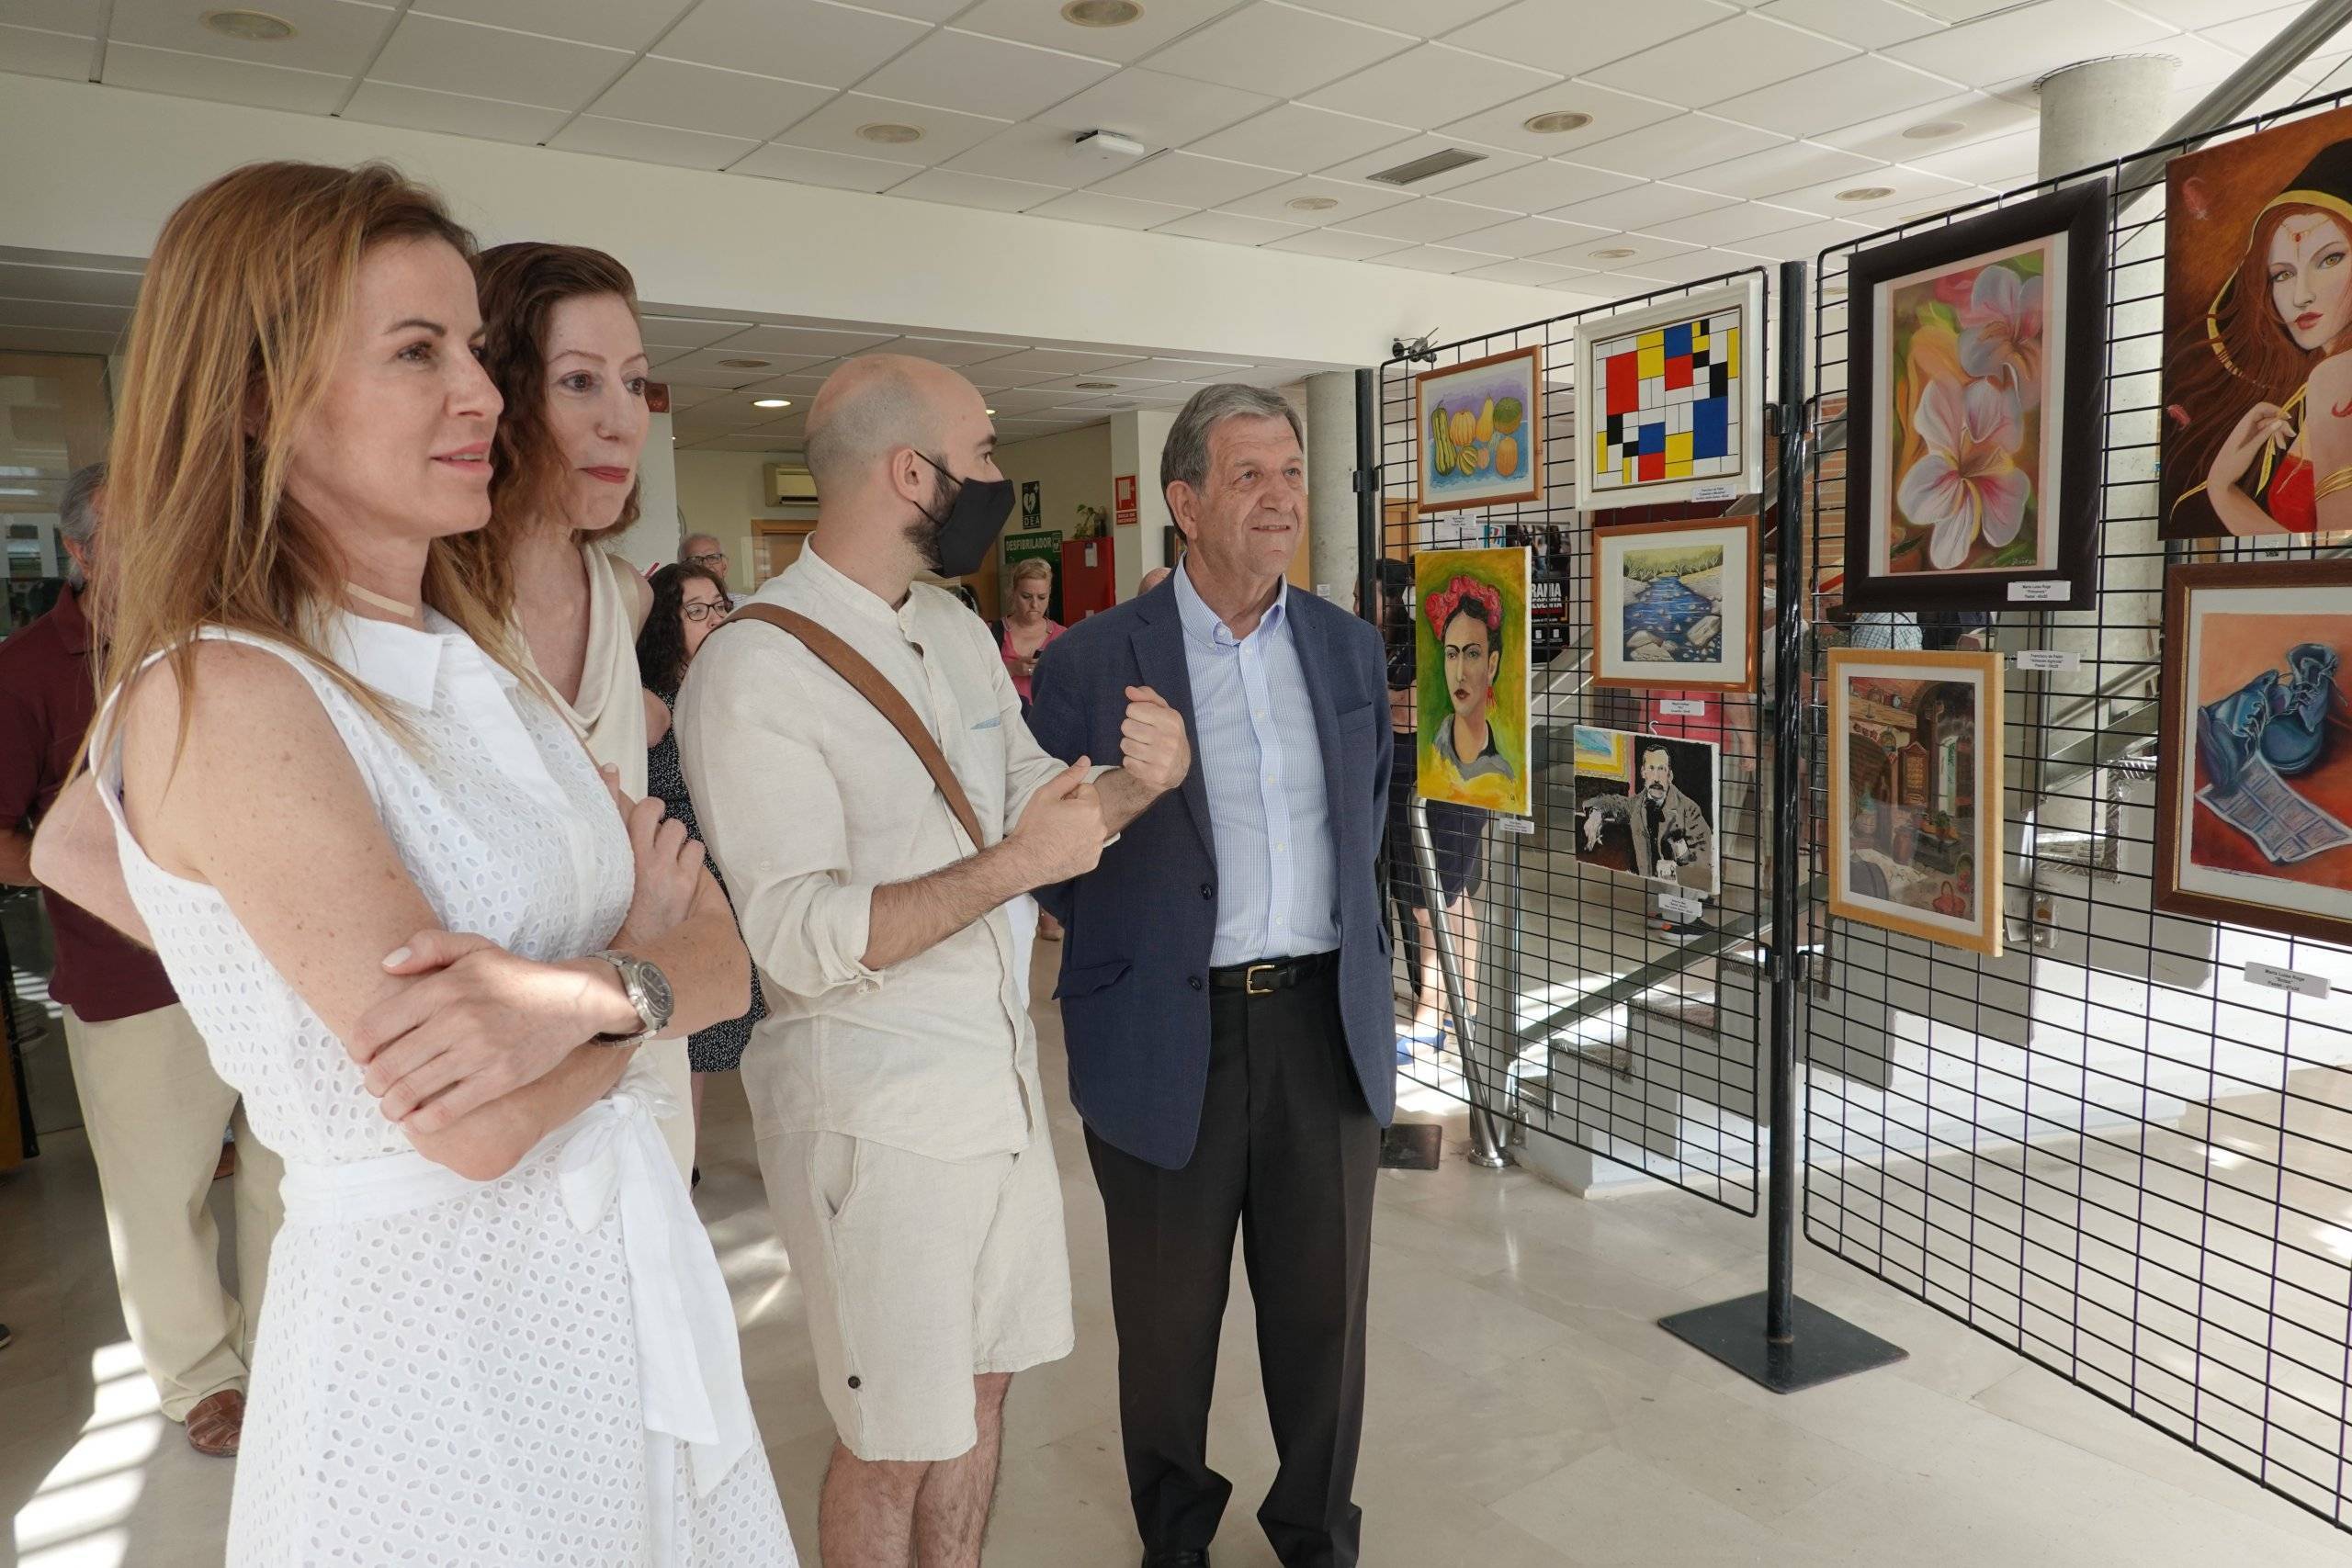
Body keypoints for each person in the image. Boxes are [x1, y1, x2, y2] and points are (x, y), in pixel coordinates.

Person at [28, 160, 792, 1564]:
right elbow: (474, 1125)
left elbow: (721, 947)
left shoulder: (471, 655)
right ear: (256, 392)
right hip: (440, 1344)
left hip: (603, 1292)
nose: (484, 396)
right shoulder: (234, 688)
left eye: (476, 352)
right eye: (416, 350)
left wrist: (565, 997)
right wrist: (644, 975)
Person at [679, 353, 1189, 1568]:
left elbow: (1027, 802)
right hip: (873, 1116)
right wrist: (1018, 866)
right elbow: (797, 940)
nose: (1001, 478)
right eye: (987, 451)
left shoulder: (953, 628)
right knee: (892, 1439)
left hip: (996, 1083)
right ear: (913, 470)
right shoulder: (751, 671)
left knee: (986, 1388)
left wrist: (1134, 784)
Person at [1029, 383, 1395, 1568]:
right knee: (1167, 1327)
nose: (1281, 496)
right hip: (1159, 1032)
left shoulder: (1344, 648)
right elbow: (1048, 863)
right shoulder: (1091, 663)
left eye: (1291, 472)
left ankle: (1315, 1532)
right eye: (1249, 475)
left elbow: (1371, 820)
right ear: (1183, 502)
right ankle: (1174, 1538)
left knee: (1321, 1320)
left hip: (1320, 1029)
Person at [0, 461, 283, 1457]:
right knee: (159, 1197)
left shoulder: (234, 641)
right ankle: (201, 1381)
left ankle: (291, 1356)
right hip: (133, 980)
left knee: (286, 1171)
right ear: (79, 552)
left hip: (267, 965)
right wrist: (102, 883)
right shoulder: (31, 670)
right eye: (135, 533)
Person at [457, 240, 695, 1181]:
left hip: (629, 1013)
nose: (621, 422)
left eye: (635, 385)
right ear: (503, 394)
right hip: (487, 1057)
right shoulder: (422, 603)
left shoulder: (625, 596)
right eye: (580, 382)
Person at [636, 561, 763, 1176]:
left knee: (730, 1026)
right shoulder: (658, 701)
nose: (716, 619)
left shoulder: (717, 688)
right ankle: (677, 1168)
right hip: (684, 874)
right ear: (667, 623)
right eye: (697, 611)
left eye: (720, 606)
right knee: (688, 1035)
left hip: (734, 868)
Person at [2169, 143, 2352, 536]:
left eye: (2331, 259)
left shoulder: (2337, 377)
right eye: (2282, 274)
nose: (2301, 295)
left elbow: (2329, 560)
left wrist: (2223, 488)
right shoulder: (2310, 390)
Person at [1374, 560, 1482, 1062]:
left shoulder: (1429, 645)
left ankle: (1433, 1018)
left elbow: (1408, 710)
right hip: (1400, 780)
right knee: (1431, 902)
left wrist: (1385, 695)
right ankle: (1454, 1010)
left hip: (1442, 778)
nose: (1357, 605)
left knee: (1438, 900)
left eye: (1366, 594)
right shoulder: (1383, 646)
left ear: (1395, 599)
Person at [1581, 744, 1716, 894]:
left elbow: (1705, 862)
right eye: (1651, 768)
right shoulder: (1636, 805)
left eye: (1661, 769)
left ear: (1670, 775)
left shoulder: (1689, 810)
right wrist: (1596, 814)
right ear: (1643, 772)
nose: (1656, 777)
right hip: (1650, 892)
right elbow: (1612, 801)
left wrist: (1678, 858)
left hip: (1683, 894)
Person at [1423, 572, 1515, 786]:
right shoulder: (1430, 756)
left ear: (1491, 665)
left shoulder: (1503, 776)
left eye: (1472, 653)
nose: (1459, 674)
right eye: (1452, 654)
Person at [994, 555, 1065, 713]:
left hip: (1048, 722)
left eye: (1042, 597)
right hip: (1004, 723)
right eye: (1026, 596)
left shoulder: (1063, 637)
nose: (1034, 604)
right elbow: (974, 683)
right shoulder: (992, 633)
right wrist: (1011, 669)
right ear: (1013, 592)